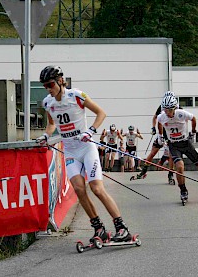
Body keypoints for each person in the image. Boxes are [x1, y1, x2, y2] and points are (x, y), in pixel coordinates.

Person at [35, 65, 132, 242]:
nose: (48, 89)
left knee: (96, 188)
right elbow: (52, 124)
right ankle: (99, 228)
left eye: (50, 84)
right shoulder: (48, 103)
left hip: (86, 148)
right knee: (79, 190)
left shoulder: (76, 95)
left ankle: (121, 227)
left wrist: (91, 131)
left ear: (60, 81)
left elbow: (101, 112)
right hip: (71, 151)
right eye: (45, 86)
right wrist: (46, 135)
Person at [135, 91, 175, 184]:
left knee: (171, 155)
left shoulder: (178, 109)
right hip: (162, 134)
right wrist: (153, 128)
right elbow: (155, 118)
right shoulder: (161, 107)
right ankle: (144, 170)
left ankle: (170, 174)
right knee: (153, 152)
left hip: (171, 135)